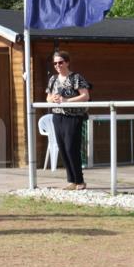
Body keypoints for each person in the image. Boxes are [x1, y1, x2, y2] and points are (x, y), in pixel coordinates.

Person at [45, 50, 91, 190]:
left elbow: (85, 96)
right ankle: (71, 180)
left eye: (60, 62)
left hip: (73, 117)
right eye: (55, 63)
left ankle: (80, 181)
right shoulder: (53, 79)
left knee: (72, 148)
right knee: (63, 149)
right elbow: (48, 97)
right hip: (57, 117)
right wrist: (52, 99)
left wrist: (67, 100)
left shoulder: (76, 77)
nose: (58, 65)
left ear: (67, 62)